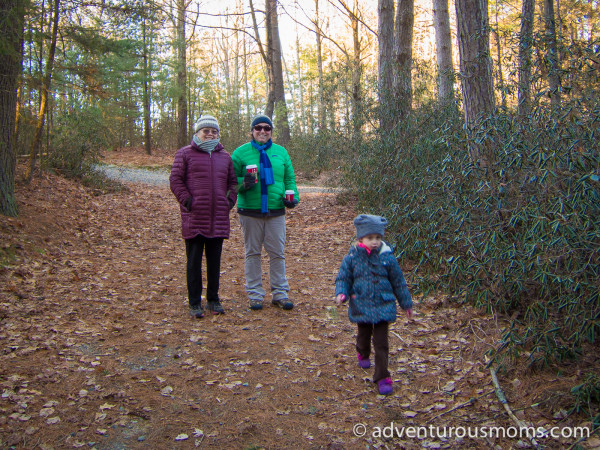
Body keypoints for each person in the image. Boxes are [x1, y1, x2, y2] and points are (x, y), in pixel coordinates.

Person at [334, 214, 413, 395]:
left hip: (383, 305)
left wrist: (406, 303)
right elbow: (344, 278)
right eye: (370, 238)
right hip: (361, 303)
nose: (375, 242)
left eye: (378, 238)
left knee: (381, 343)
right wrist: (341, 293)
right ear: (361, 238)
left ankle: (382, 376)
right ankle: (362, 352)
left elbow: (398, 282)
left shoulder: (387, 258)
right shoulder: (352, 258)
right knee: (363, 335)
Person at [170, 114, 238, 318]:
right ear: (197, 133)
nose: (210, 134)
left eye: (214, 131)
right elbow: (175, 180)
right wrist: (188, 201)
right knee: (193, 262)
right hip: (194, 217)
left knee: (214, 262)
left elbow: (232, 183)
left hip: (218, 218)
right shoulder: (185, 153)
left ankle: (213, 299)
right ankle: (194, 303)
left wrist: (229, 202)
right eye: (206, 131)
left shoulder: (225, 156)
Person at [231, 114, 299, 311]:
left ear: (271, 132)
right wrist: (243, 183)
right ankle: (255, 294)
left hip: (276, 211)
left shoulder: (281, 152)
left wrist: (293, 198)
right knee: (252, 252)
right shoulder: (240, 153)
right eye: (258, 128)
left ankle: (280, 293)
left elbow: (290, 180)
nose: (262, 131)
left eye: (266, 128)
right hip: (249, 211)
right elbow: (229, 182)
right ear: (252, 131)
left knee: (277, 252)